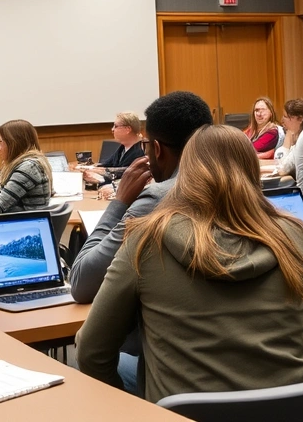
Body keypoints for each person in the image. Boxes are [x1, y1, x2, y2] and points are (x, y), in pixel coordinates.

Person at [76, 125, 303, 403]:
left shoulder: (146, 240)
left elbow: (90, 352)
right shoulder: (295, 235)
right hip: (294, 411)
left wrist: (134, 410)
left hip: (184, 413)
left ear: (186, 174)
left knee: (105, 365)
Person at [69, 91, 213, 394]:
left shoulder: (154, 203)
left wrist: (120, 201)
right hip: (283, 399)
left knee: (77, 368)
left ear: (156, 149)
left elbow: (82, 281)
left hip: (187, 400)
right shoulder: (261, 205)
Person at [83, 112, 144, 192]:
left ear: (127, 129)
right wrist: (89, 169)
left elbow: (125, 178)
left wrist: (100, 179)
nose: (112, 129)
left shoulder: (139, 152)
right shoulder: (122, 148)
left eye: (116, 126)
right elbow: (106, 165)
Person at [275, 98, 303, 176]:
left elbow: (283, 169)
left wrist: (288, 136)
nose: (282, 121)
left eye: (285, 116)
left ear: (300, 118)